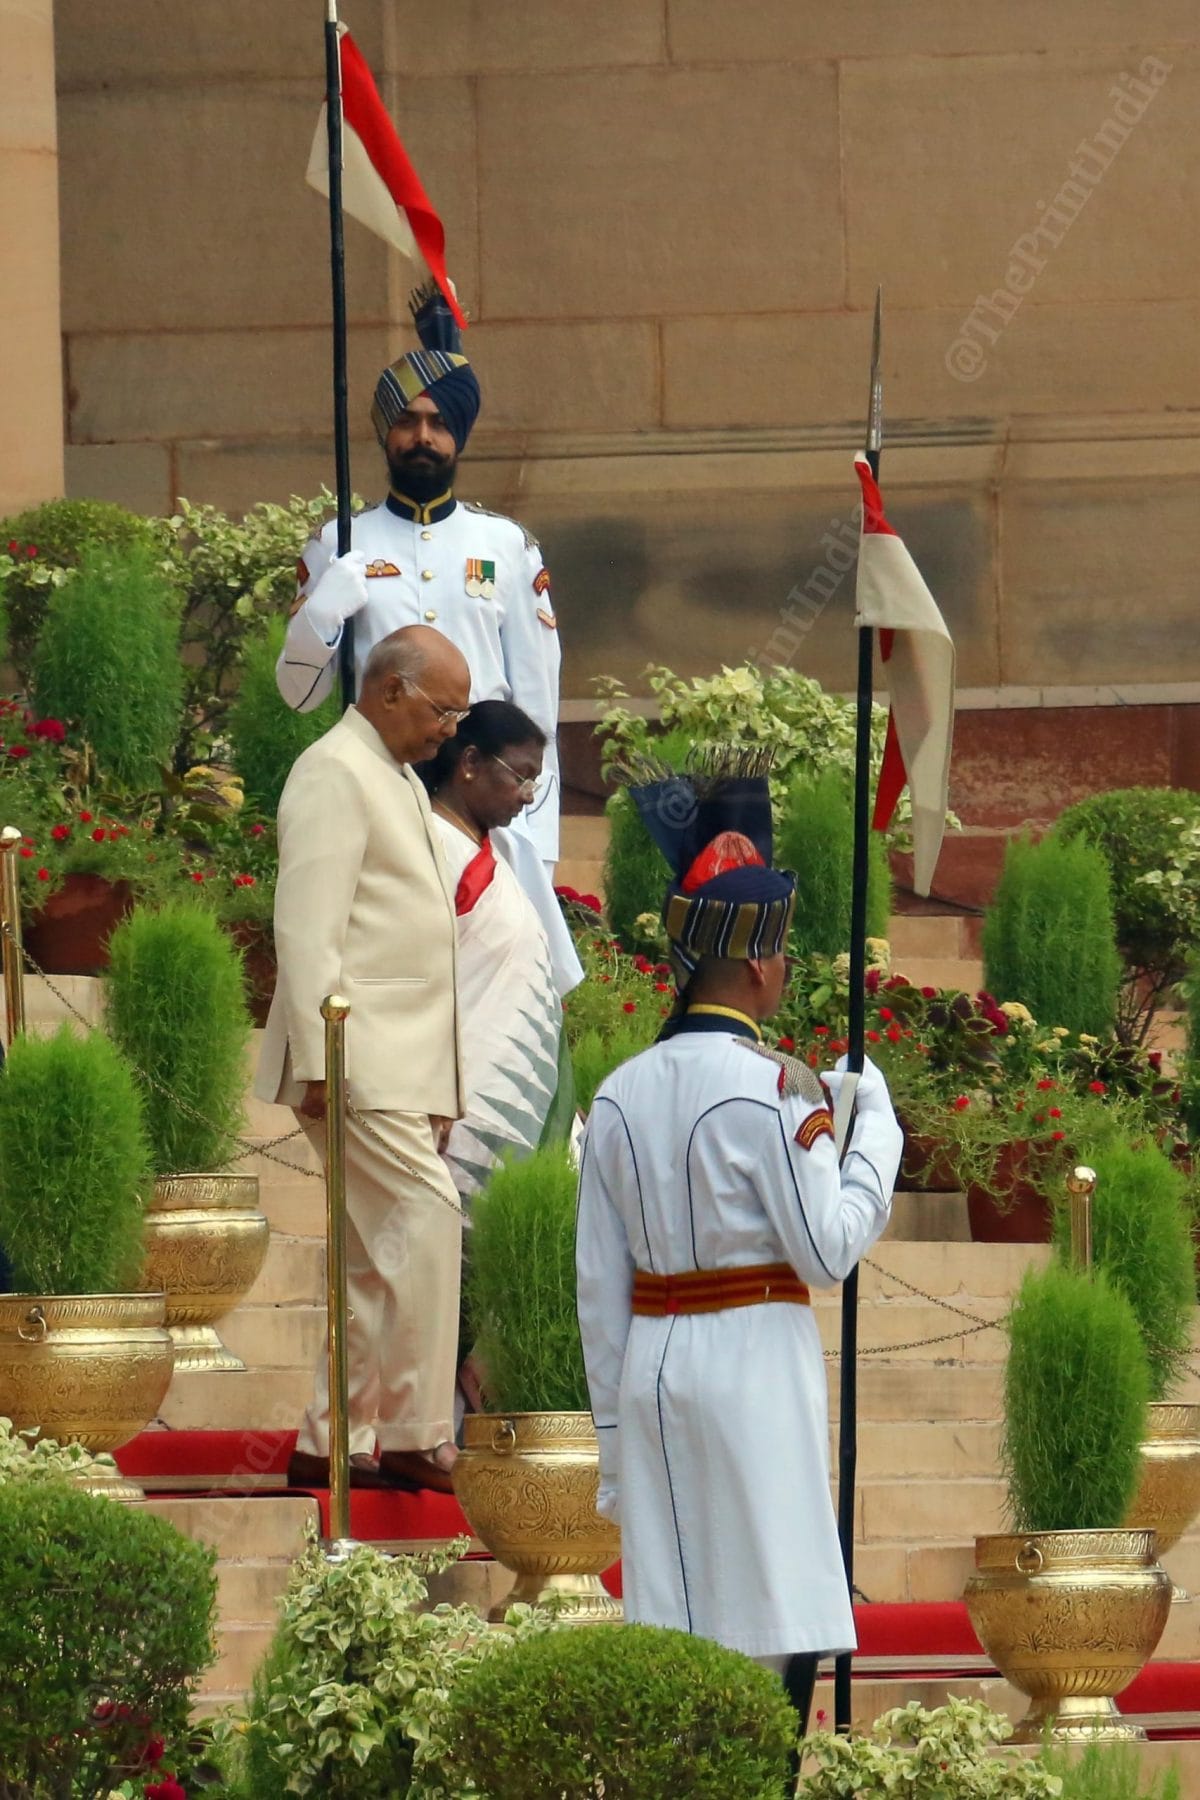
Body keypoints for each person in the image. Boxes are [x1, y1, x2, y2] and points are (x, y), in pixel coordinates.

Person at [574, 765, 903, 1728]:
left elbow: (600, 1284)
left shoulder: (619, 1092)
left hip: (651, 1368)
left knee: (676, 1624)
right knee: (777, 1619)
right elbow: (827, 1248)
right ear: (761, 967)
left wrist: (608, 1439)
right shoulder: (777, 1087)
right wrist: (873, 1129)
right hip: (755, 1366)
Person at [275, 282, 581, 998]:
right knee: (400, 981)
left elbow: (537, 699)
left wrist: (538, 837)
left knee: (497, 990)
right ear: (386, 432)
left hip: (485, 803)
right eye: (408, 420)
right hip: (383, 796)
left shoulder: (504, 546)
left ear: (459, 435)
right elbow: (298, 694)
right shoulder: (339, 544)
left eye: (439, 422)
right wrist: (323, 613)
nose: (422, 436)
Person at [256, 624, 470, 1495]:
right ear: (390, 691)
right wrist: (320, 1055)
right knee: (426, 1220)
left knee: (372, 1252)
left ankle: (331, 1437)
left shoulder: (393, 776)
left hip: (395, 1061)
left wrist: (441, 1083)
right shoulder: (334, 770)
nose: (451, 728)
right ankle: (417, 1430)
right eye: (442, 709)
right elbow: (307, 925)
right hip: (355, 1056)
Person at [414, 699, 566, 1205]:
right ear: (470, 762)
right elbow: (421, 981)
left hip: (512, 1088)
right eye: (520, 777)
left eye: (535, 783)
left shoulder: (496, 853)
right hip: (460, 1106)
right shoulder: (428, 843)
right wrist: (434, 1095)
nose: (526, 796)